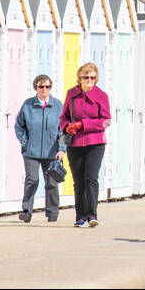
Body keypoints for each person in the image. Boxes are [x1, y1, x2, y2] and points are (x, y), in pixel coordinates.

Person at [60, 62, 111, 227]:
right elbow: (64, 117)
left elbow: (106, 121)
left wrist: (84, 124)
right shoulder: (72, 94)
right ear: (79, 78)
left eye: (92, 77)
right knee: (78, 180)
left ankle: (92, 214)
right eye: (86, 77)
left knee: (91, 178)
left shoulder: (101, 96)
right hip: (75, 143)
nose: (89, 80)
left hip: (95, 143)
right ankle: (80, 216)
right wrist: (66, 126)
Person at [14, 74, 67, 223]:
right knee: (32, 179)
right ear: (36, 88)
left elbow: (63, 129)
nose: (44, 89)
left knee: (51, 182)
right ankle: (26, 211)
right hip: (31, 151)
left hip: (52, 152)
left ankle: (52, 213)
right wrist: (26, 142)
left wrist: (62, 148)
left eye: (47, 87)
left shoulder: (58, 105)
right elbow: (19, 126)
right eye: (41, 87)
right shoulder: (28, 105)